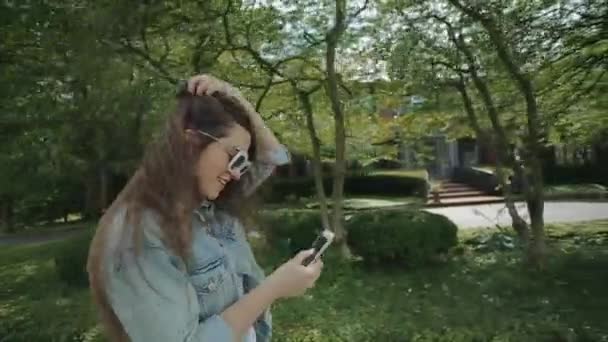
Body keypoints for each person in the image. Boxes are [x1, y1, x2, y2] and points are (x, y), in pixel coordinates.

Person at [86, 75, 324, 342]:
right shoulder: (137, 236)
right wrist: (273, 289)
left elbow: (272, 157)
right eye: (233, 156)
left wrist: (236, 99)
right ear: (191, 142)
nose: (237, 173)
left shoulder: (212, 204)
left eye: (242, 162)